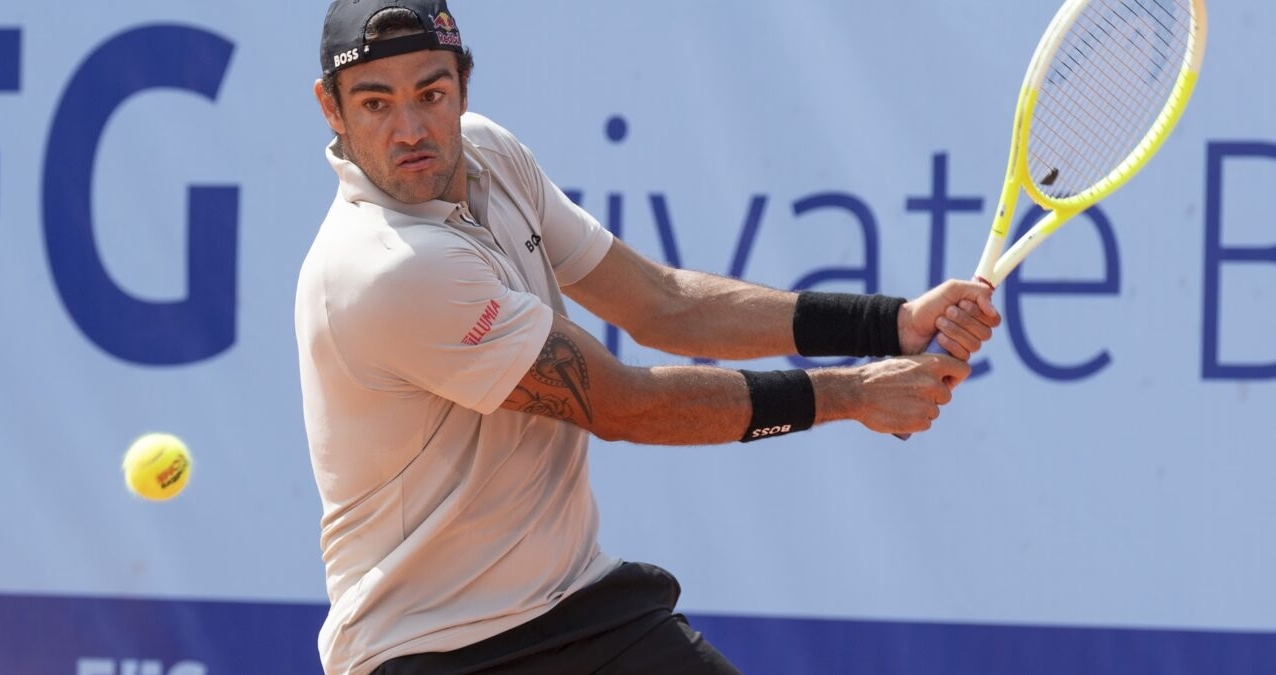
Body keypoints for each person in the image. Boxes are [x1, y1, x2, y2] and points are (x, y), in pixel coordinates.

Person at [295, 1, 1001, 673]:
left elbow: (664, 305)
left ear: (464, 87)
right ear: (332, 108)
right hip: (433, 648)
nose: (411, 128)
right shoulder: (387, 268)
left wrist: (889, 324)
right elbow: (624, 405)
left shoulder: (490, 155)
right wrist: (855, 394)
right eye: (375, 102)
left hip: (575, 607)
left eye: (431, 93)